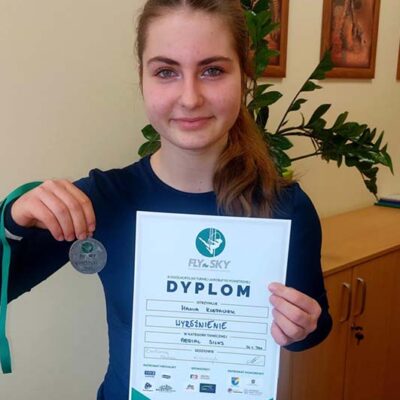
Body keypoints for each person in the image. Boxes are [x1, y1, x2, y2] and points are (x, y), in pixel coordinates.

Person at [0, 0, 332, 398]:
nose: (190, 98)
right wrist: (12, 220)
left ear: (244, 77)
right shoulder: (103, 200)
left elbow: (315, 326)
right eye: (166, 72)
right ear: (142, 80)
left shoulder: (286, 208)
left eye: (212, 70)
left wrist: (304, 327)